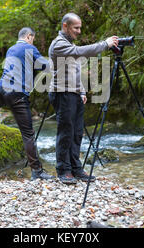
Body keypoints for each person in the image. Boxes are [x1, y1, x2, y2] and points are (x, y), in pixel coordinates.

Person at [0, 27, 55, 181]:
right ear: (29, 36)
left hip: (1, 88)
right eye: (33, 38)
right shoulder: (29, 47)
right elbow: (45, 66)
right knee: (28, 134)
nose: (33, 41)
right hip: (16, 93)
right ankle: (37, 171)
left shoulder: (11, 49)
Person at [48, 13, 118, 185]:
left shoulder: (69, 43)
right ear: (65, 26)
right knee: (66, 132)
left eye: (80, 27)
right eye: (76, 28)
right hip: (62, 93)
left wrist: (81, 91)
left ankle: (76, 168)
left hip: (73, 93)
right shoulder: (59, 44)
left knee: (77, 132)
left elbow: (74, 70)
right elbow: (79, 53)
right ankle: (63, 170)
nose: (79, 31)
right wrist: (105, 44)